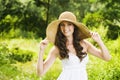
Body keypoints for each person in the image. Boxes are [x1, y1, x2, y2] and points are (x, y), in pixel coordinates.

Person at [37, 11, 111, 80]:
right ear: (59, 28)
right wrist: (41, 50)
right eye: (62, 25)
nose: (65, 28)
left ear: (74, 27)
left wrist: (99, 41)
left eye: (69, 24)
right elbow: (40, 73)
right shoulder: (57, 48)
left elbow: (107, 58)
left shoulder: (84, 44)